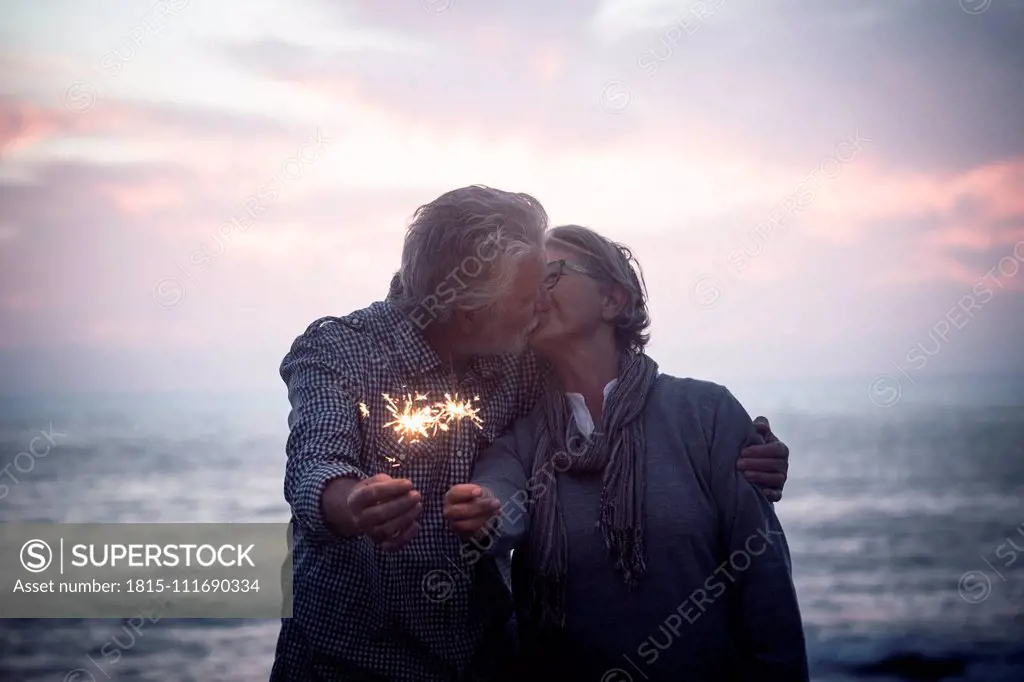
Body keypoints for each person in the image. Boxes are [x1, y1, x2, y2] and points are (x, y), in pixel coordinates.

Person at [271, 188, 794, 682]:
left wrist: (740, 448)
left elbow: (620, 390)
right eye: (532, 289)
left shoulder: (525, 358)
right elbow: (316, 460)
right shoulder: (341, 351)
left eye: (552, 278)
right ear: (475, 310)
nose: (541, 301)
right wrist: (351, 501)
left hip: (484, 664)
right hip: (347, 664)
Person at [444, 225, 808, 681]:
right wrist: (482, 511)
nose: (535, 292)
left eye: (551, 274)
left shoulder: (706, 413)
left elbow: (763, 578)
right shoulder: (521, 436)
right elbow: (498, 503)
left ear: (613, 300)